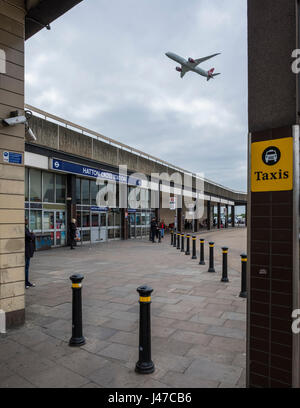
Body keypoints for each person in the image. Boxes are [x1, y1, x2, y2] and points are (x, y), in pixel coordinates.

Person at [25, 218, 36, 289]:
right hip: (26, 250)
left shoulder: (25, 228)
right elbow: (29, 237)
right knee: (26, 267)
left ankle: (27, 282)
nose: (27, 221)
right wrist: (32, 235)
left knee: (27, 267)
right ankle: (26, 282)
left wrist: (31, 235)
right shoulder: (24, 229)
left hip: (28, 250)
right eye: (26, 220)